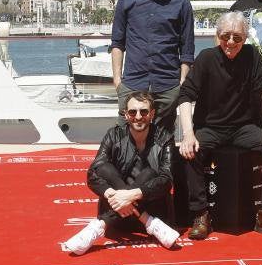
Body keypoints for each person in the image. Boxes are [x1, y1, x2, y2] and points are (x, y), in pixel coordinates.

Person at [177, 11, 262, 240]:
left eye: (237, 38)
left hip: (242, 128)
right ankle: (200, 214)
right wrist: (188, 134)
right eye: (226, 36)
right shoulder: (206, 58)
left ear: (245, 38)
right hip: (210, 127)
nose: (231, 42)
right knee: (191, 152)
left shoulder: (251, 55)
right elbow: (185, 97)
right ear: (218, 36)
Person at [63, 91, 178, 255]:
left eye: (144, 111)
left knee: (150, 174)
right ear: (125, 114)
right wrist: (115, 195)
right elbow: (93, 174)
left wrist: (133, 195)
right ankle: (147, 221)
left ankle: (99, 226)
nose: (138, 116)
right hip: (120, 215)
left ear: (152, 114)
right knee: (103, 167)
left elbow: (167, 179)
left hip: (152, 210)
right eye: (133, 112)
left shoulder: (165, 138)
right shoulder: (113, 135)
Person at [111, 0, 194, 131]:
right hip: (132, 84)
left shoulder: (182, 4)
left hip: (167, 87)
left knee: (163, 143)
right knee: (124, 142)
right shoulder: (127, 1)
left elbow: (187, 48)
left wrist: (181, 84)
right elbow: (117, 43)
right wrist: (117, 80)